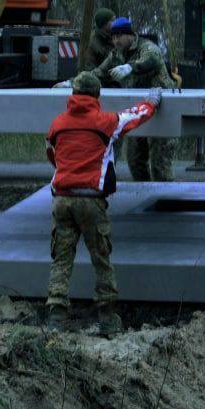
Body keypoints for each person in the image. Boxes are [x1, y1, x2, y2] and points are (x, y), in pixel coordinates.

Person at [44, 71, 161, 335]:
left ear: (73, 95)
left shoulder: (58, 124)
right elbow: (135, 116)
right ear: (97, 96)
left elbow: (52, 154)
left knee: (61, 259)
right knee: (101, 259)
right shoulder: (105, 122)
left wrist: (66, 173)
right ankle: (108, 319)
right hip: (90, 202)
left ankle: (56, 318)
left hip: (62, 200)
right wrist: (152, 101)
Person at [95, 17, 177, 182]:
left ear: (130, 35)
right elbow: (100, 72)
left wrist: (130, 67)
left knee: (159, 164)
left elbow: (151, 61)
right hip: (138, 109)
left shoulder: (147, 48)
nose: (115, 40)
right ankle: (144, 196)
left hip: (161, 109)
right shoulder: (117, 53)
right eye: (113, 37)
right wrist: (74, 82)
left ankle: (166, 201)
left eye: (118, 36)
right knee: (134, 160)